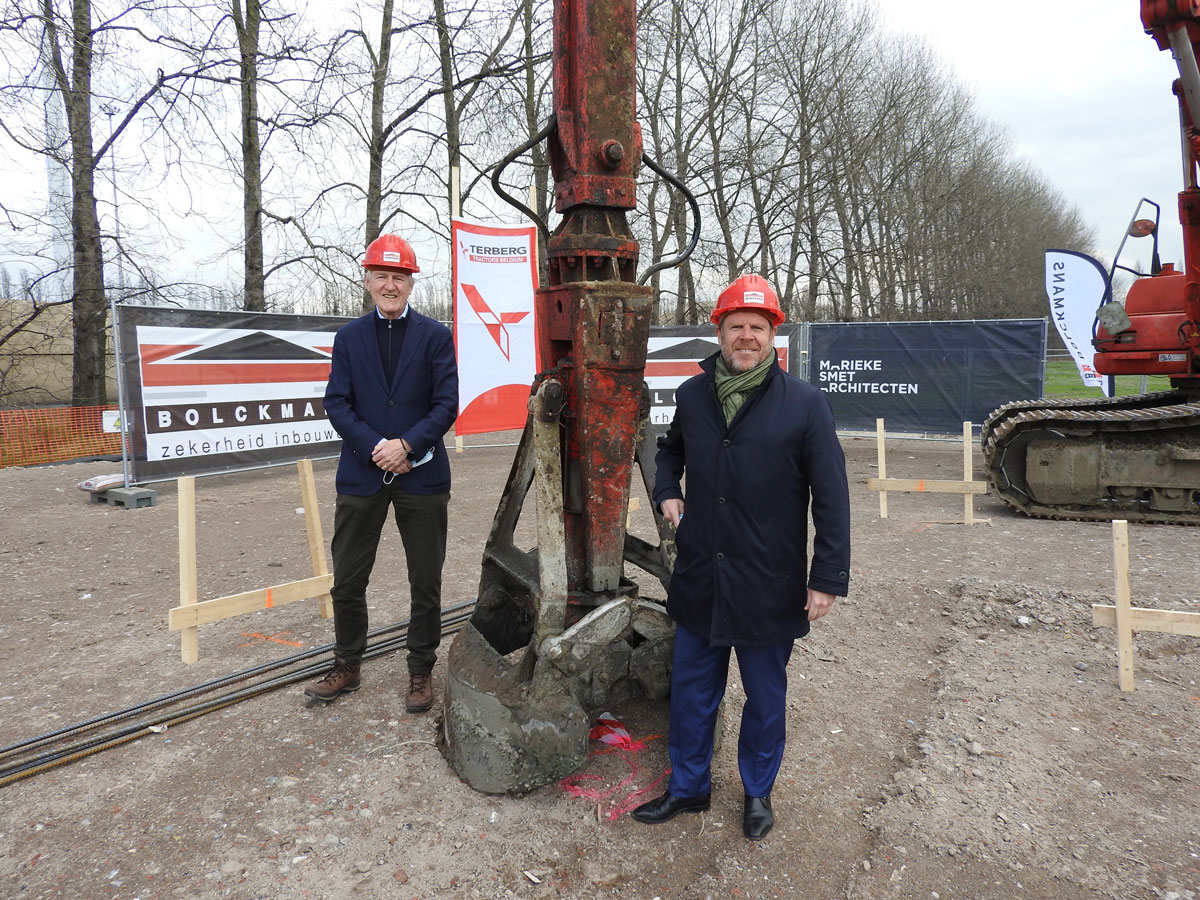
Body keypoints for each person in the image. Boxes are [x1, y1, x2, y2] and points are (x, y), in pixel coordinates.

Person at [631, 274, 850, 840]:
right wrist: (667, 487)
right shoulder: (692, 395)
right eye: (736, 326)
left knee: (764, 698)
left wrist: (826, 578)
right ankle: (688, 788)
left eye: (757, 326)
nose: (746, 336)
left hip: (768, 579)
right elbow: (669, 450)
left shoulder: (804, 405)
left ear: (772, 334)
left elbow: (831, 497)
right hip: (702, 573)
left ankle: (757, 792)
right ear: (720, 331)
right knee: (692, 692)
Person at [304, 234, 458, 713]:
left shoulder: (436, 336)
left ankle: (419, 670)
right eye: (382, 276)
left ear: (410, 283)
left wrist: (408, 444)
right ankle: (347, 663)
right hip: (363, 474)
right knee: (348, 578)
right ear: (367, 280)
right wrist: (376, 447)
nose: (390, 285)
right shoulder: (349, 338)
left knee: (424, 579)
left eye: (399, 277)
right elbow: (337, 403)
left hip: (422, 474)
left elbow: (446, 403)